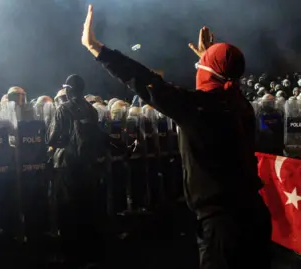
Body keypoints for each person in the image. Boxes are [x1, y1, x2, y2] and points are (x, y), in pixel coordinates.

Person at [81, 5, 271, 269]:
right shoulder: (240, 105)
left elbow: (146, 82)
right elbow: (223, 84)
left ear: (209, 72)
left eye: (201, 65)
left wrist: (96, 48)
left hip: (223, 227)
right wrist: (210, 57)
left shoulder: (198, 108)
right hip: (255, 216)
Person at [47, 74, 104, 267]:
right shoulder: (92, 110)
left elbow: (53, 138)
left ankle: (70, 256)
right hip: (87, 165)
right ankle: (89, 253)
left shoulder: (63, 109)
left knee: (67, 210)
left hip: (67, 164)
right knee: (86, 207)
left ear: (69, 90)